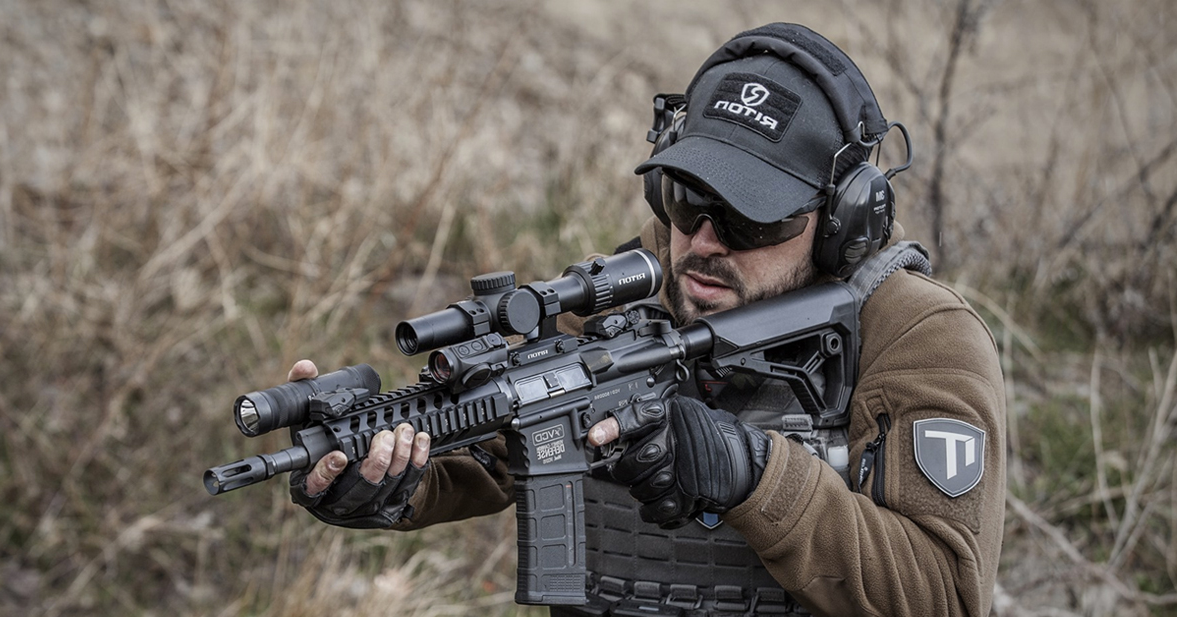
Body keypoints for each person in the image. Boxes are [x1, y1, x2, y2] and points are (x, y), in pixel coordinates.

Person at [285, 23, 1006, 617]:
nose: (704, 243)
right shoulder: (628, 296)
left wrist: (753, 474)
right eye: (686, 200)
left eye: (749, 218)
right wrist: (384, 476)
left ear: (840, 221)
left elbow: (943, 592)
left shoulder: (917, 336)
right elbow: (491, 451)